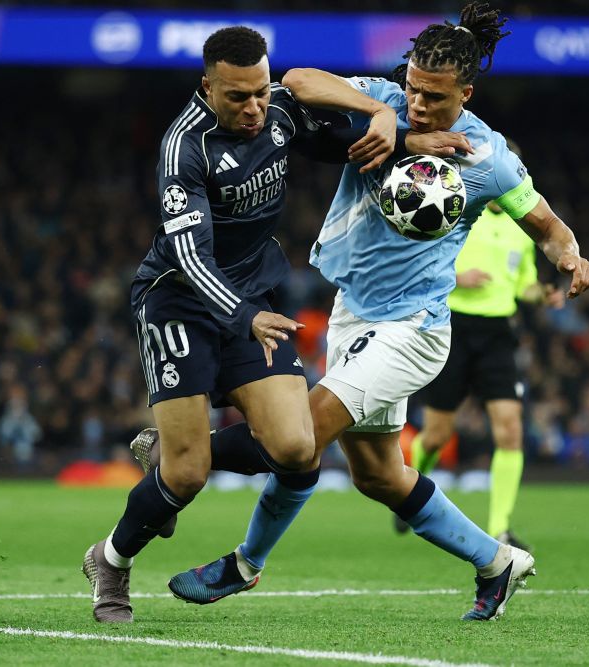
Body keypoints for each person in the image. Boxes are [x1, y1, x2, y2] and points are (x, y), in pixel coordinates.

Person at [135, 3, 589, 622]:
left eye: (434, 96)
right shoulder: (384, 100)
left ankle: (236, 549)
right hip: (353, 312)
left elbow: (546, 225)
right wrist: (380, 112)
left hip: (413, 328)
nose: (418, 104)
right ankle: (497, 563)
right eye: (413, 87)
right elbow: (297, 80)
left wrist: (570, 256)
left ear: (466, 93)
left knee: (301, 435)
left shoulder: (488, 158)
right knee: (380, 476)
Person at [82, 26, 471, 623]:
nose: (255, 108)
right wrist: (244, 315)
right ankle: (111, 561)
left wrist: (407, 138)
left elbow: (339, 141)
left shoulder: (280, 113)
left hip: (253, 299)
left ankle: (161, 452)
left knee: (295, 447)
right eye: (238, 97)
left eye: (262, 92)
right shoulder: (184, 148)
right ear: (208, 87)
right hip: (180, 302)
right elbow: (189, 255)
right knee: (186, 475)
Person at [398, 163, 566, 548]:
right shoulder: (455, 212)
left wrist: (542, 294)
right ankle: (409, 486)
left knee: (510, 430)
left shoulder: (521, 231)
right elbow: (421, 265)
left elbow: (523, 286)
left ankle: (499, 529)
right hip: (453, 327)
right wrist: (459, 278)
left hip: (497, 334)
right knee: (437, 435)